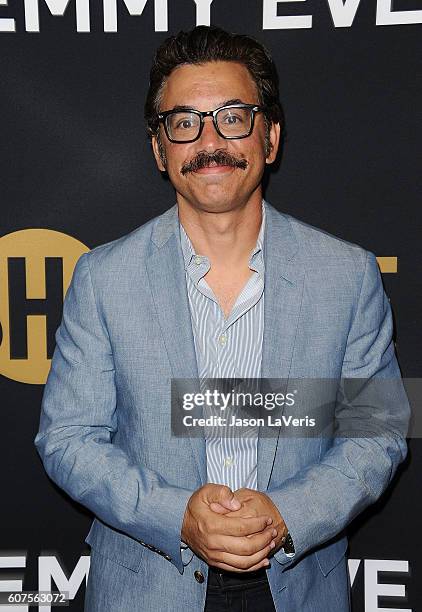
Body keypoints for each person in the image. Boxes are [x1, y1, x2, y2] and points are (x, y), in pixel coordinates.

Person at [34, 25, 410, 612]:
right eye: (185, 122)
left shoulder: (346, 275)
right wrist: (178, 516)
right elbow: (66, 437)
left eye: (233, 116)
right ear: (161, 149)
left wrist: (288, 513)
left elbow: (378, 432)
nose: (210, 140)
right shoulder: (104, 278)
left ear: (271, 138)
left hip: (298, 584)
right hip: (150, 582)